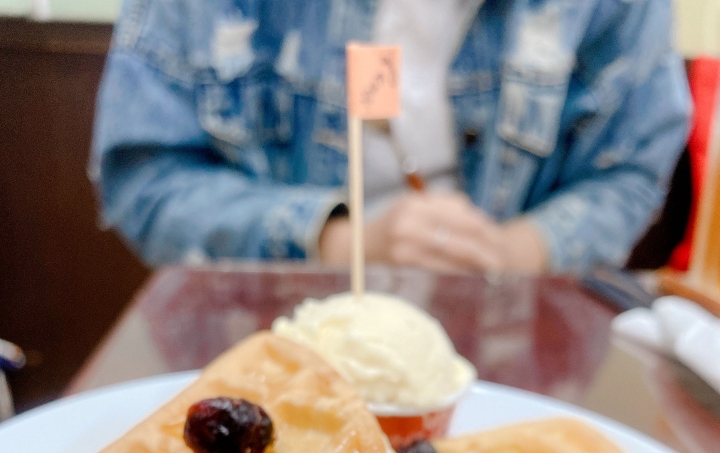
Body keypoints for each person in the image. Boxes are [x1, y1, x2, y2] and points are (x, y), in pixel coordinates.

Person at [91, 0, 691, 275]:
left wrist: (516, 251)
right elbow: (148, 183)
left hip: (509, 342)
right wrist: (340, 241)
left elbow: (630, 169)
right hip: (265, 329)